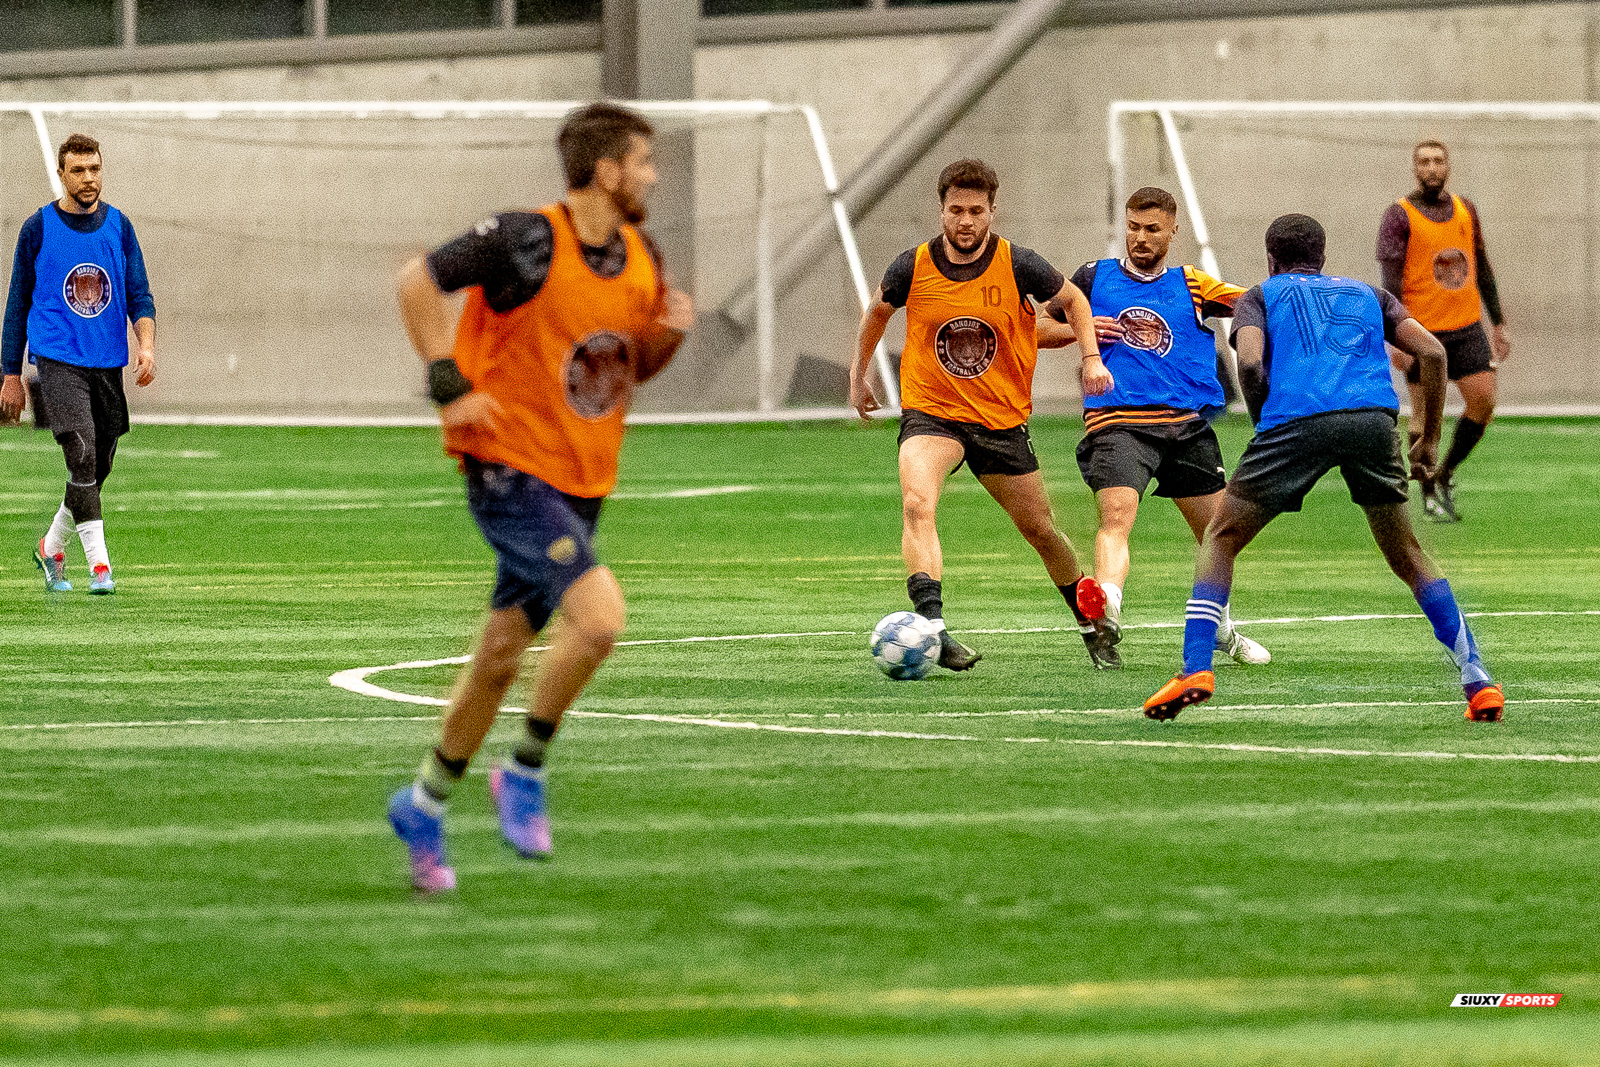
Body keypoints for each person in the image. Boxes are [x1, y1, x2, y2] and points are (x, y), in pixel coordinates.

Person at [386, 102, 694, 892]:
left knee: (496, 658)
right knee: (599, 621)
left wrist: (667, 339)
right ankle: (523, 770)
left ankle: (423, 801)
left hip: (582, 478)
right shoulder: (524, 238)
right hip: (508, 469)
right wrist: (446, 381)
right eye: (644, 162)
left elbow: (622, 368)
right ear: (606, 170)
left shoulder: (641, 255)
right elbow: (417, 281)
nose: (652, 177)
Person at [1144, 213, 1503, 724]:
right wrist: (1428, 437)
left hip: (1298, 420)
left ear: (1270, 257)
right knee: (1406, 551)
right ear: (1323, 256)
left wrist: (1265, 419)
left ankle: (1196, 667)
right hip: (1372, 422)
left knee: (1221, 536)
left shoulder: (1260, 296)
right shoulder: (1367, 294)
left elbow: (1248, 363)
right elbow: (1432, 350)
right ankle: (1477, 680)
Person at [849, 158, 1110, 671]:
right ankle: (934, 628)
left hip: (1000, 420)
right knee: (917, 503)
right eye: (955, 210)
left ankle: (1091, 624)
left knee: (1041, 531)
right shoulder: (912, 266)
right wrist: (858, 376)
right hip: (933, 413)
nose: (965, 221)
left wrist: (1091, 356)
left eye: (976, 211)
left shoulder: (1020, 263)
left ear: (993, 211)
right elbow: (877, 313)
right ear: (941, 210)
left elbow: (1075, 302)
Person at [1064, 186, 1269, 670]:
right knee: (1116, 517)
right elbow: (1036, 328)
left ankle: (1219, 627)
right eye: (1133, 228)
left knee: (1221, 533)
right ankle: (1107, 606)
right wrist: (1087, 328)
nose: (1140, 238)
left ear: (1172, 231)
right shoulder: (1093, 278)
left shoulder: (1194, 284)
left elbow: (1257, 305)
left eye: (1152, 229)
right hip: (1117, 421)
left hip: (1185, 427)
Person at [0, 133, 157, 595]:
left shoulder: (120, 226)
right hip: (58, 357)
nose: (88, 179)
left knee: (98, 465)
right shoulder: (38, 228)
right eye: (79, 171)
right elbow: (16, 305)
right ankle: (100, 568)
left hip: (107, 360)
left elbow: (140, 294)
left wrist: (145, 348)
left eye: (95, 169)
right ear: (62, 174)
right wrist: (11, 373)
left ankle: (50, 548)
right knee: (81, 451)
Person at [1377, 139, 1510, 522]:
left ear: (1448, 166)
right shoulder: (1399, 215)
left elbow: (1481, 263)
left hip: (1466, 327)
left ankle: (1446, 472)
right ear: (1414, 168)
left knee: (1483, 400)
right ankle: (1428, 490)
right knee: (1422, 419)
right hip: (1422, 333)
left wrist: (1498, 322)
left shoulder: (1465, 209)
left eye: (1438, 161)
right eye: (1424, 162)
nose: (1431, 168)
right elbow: (1389, 281)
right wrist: (1395, 337)